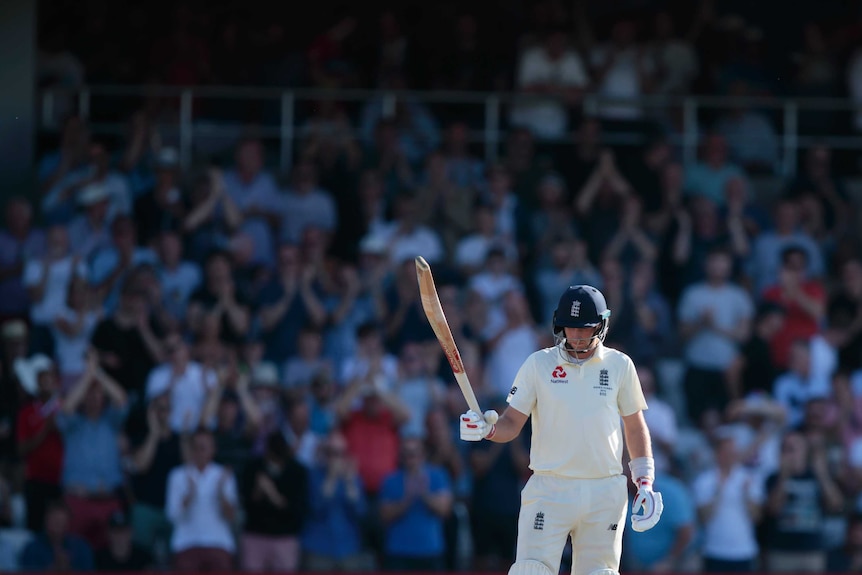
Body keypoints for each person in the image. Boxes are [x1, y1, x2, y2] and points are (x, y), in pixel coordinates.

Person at [459, 284, 663, 575]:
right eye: (570, 328)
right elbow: (511, 423)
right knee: (531, 571)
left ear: (601, 325)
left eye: (584, 329)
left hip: (604, 490)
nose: (576, 336)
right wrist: (486, 430)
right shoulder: (538, 364)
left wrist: (645, 481)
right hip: (549, 488)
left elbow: (634, 425)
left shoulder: (620, 366)